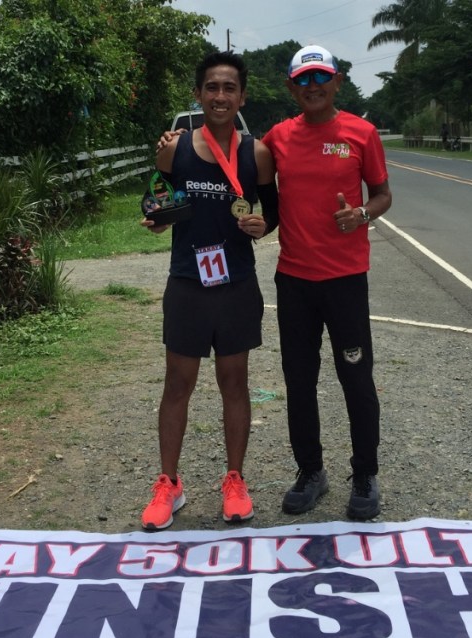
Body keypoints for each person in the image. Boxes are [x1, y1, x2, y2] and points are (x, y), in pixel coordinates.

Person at [140, 51, 278, 530]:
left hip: (236, 284)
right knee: (177, 384)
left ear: (242, 97)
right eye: (212, 87)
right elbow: (157, 208)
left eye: (229, 88)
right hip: (187, 282)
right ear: (198, 95)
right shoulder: (172, 150)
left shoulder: (257, 154)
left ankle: (234, 479)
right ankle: (169, 483)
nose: (221, 96)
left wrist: (262, 225)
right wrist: (157, 221)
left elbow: (272, 212)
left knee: (234, 383)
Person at [261, 44, 392, 520]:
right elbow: (239, 172)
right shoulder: (276, 138)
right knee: (299, 381)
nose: (313, 87)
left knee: (356, 377)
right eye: (303, 79)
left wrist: (361, 215)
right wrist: (175, 149)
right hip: (294, 281)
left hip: (345, 280)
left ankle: (365, 474)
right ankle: (311, 472)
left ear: (337, 81)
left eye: (321, 78)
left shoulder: (362, 133)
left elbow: (382, 194)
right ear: (291, 86)